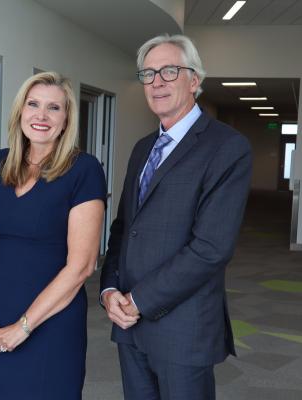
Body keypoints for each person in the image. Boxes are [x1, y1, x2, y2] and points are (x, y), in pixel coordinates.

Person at [100, 34, 252, 400]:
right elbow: (124, 227)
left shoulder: (227, 147)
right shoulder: (142, 149)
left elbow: (211, 248)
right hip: (129, 324)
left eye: (170, 71)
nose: (157, 82)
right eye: (149, 73)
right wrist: (109, 290)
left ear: (194, 80)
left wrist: (137, 301)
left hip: (183, 328)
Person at [0, 71, 107, 399]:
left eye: (53, 108)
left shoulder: (84, 170)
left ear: (66, 119)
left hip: (51, 322)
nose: (41, 115)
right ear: (20, 112)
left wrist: (24, 326)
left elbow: (82, 265)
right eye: (33, 104)